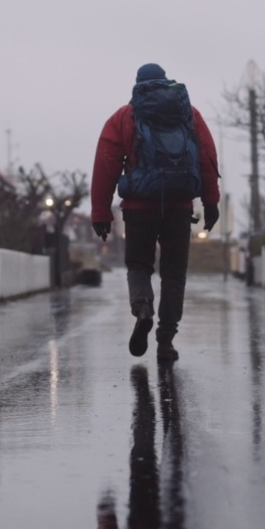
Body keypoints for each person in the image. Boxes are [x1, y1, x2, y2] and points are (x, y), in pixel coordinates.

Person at [90, 63, 220, 362]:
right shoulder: (189, 113)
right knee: (174, 275)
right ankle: (166, 340)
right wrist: (211, 202)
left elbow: (106, 163)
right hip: (179, 206)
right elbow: (206, 155)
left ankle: (143, 307)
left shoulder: (124, 117)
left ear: (138, 85)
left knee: (139, 266)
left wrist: (101, 212)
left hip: (138, 208)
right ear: (166, 82)